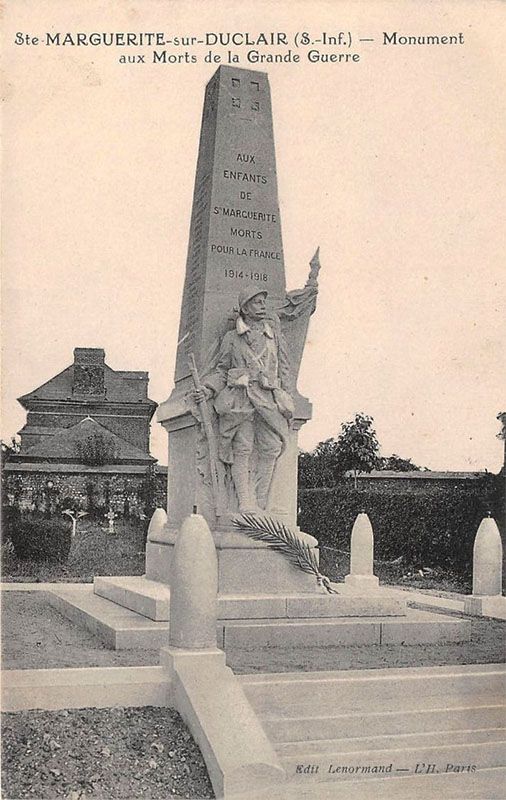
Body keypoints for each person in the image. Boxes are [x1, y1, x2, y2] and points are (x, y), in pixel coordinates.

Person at [193, 285, 294, 512]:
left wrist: (286, 397)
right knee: (243, 448)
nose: (263, 306)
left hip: (268, 400)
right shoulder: (232, 338)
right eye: (257, 302)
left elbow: (284, 369)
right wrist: (208, 390)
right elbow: (221, 370)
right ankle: (245, 502)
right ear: (245, 308)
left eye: (263, 302)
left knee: (271, 447)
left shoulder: (273, 337)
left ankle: (260, 500)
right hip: (241, 400)